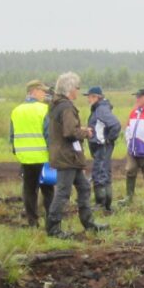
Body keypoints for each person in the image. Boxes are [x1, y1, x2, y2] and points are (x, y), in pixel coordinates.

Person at [45, 72, 107, 238]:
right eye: (77, 88)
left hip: (68, 156)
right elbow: (70, 132)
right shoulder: (66, 107)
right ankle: (53, 229)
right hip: (67, 156)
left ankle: (89, 223)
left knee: (84, 187)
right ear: (70, 89)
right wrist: (85, 132)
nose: (78, 91)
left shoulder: (57, 104)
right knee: (63, 192)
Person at [10, 80, 54, 227]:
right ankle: (51, 221)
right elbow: (49, 134)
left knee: (29, 190)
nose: (44, 94)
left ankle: (32, 222)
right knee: (48, 190)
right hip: (43, 157)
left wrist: (17, 152)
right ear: (34, 91)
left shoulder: (16, 111)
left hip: (25, 158)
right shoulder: (44, 109)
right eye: (42, 91)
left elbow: (12, 135)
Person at [85, 86, 122, 212]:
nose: (88, 99)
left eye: (89, 97)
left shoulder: (101, 109)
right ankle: (107, 205)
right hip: (101, 146)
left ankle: (101, 204)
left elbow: (115, 124)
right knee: (104, 172)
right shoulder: (100, 108)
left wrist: (108, 140)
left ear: (96, 97)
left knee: (99, 173)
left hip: (102, 146)